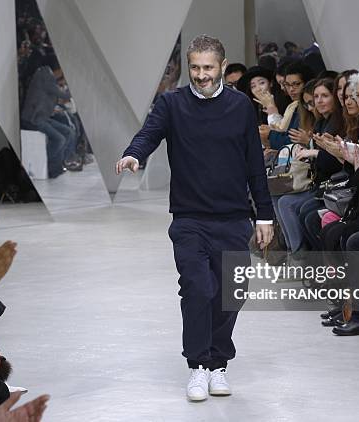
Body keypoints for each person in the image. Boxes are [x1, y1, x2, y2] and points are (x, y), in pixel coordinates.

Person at [115, 34, 274, 402]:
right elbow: (148, 134)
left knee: (232, 293)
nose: (201, 75)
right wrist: (133, 154)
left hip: (234, 218)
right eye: (195, 68)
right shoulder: (172, 103)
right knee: (198, 289)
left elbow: (254, 165)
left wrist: (264, 215)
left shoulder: (240, 107)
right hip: (189, 218)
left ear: (222, 65)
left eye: (208, 67)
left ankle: (219, 363)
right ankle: (198, 366)